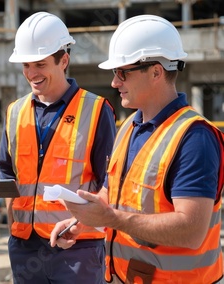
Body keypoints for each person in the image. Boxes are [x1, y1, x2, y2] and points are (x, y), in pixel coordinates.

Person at [50, 14, 224, 283]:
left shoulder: (194, 137)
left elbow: (191, 230)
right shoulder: (131, 125)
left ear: (156, 71)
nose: (114, 82)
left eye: (123, 72)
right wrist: (82, 222)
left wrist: (113, 218)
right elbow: (116, 195)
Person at [0, 11, 117, 283]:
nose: (31, 74)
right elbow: (8, 175)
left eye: (39, 64)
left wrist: (81, 224)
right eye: (26, 65)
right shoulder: (14, 112)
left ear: (63, 60)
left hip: (77, 248)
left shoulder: (96, 110)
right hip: (24, 247)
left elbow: (110, 182)